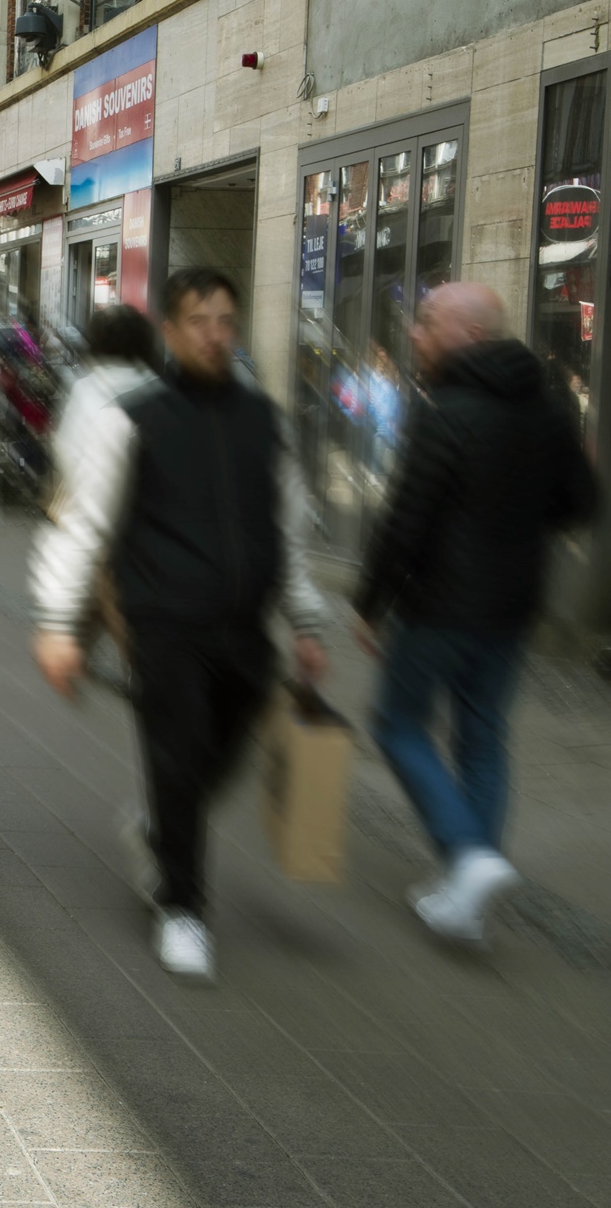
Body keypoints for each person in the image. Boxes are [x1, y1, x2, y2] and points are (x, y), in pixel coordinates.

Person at [30, 269, 329, 984]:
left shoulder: (263, 420)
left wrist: (307, 618)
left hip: (245, 629)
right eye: (198, 320)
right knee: (174, 753)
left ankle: (159, 829)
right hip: (164, 622)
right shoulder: (131, 416)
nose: (215, 333)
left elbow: (284, 532)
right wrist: (55, 620)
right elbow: (84, 523)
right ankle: (184, 907)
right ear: (169, 330)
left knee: (218, 757)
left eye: (226, 319)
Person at [355, 283, 596, 945]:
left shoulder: (445, 409)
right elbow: (581, 501)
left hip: (438, 604)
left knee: (399, 724)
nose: (415, 334)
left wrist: (370, 603)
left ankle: (468, 855)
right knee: (482, 736)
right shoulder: (547, 409)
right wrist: (518, 527)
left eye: (428, 322)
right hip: (512, 607)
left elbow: (405, 519)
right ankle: (468, 894)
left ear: (467, 333)